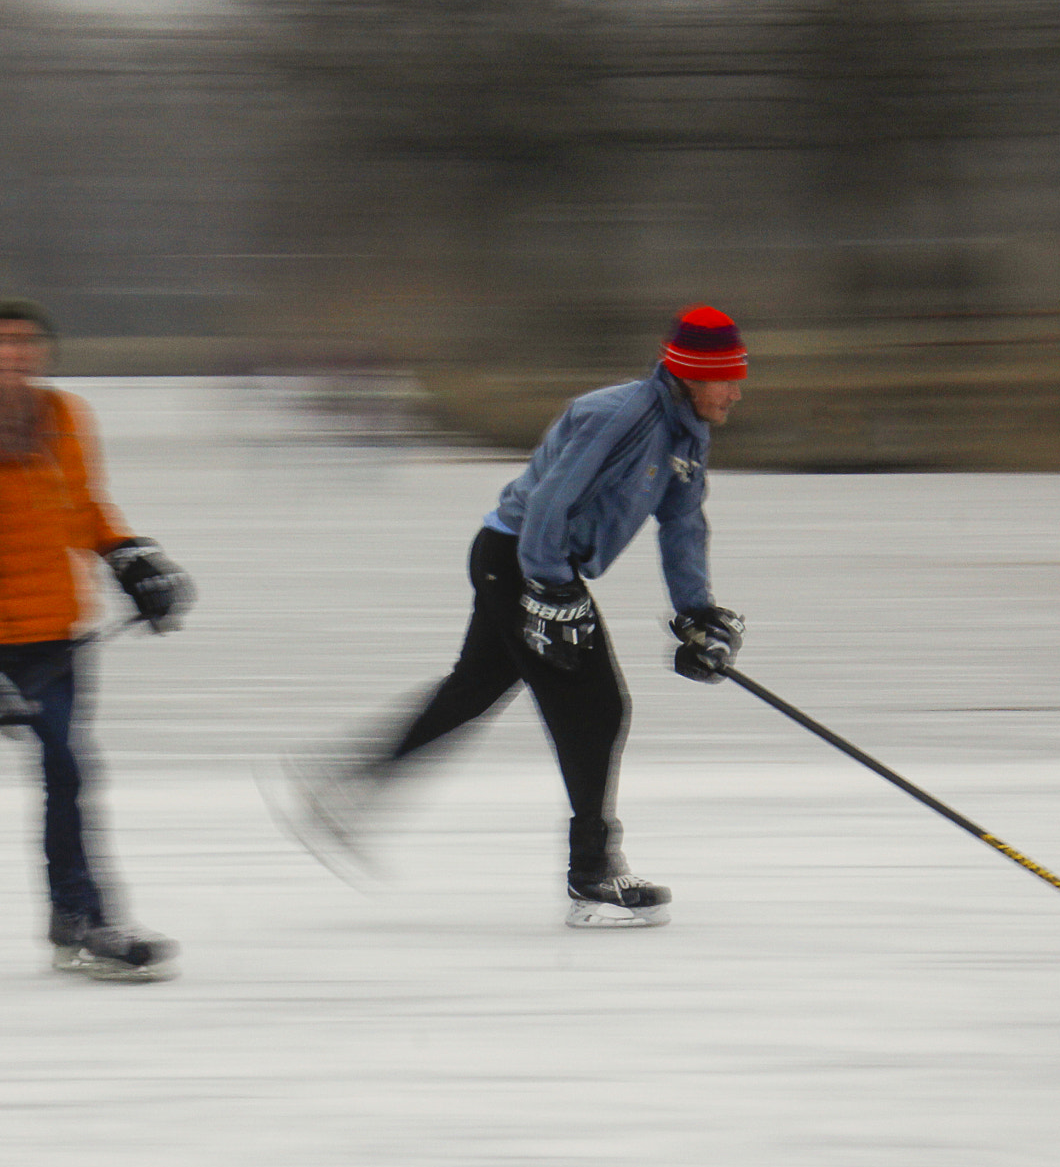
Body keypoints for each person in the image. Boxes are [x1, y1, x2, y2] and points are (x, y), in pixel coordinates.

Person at [274, 306, 749, 928]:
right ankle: (592, 875)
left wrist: (696, 610)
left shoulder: (688, 433)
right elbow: (550, 504)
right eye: (726, 378)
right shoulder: (621, 416)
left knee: (472, 691)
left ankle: (337, 786)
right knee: (598, 707)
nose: (737, 390)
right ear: (692, 375)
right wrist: (550, 592)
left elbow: (683, 521)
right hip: (522, 558)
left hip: (532, 565)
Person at [0, 299, 193, 981]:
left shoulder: (67, 418)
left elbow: (83, 506)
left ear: (41, 354)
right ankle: (89, 919)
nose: (10, 356)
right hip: (5, 644)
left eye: (23, 345)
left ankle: (71, 920)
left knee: (65, 776)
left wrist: (131, 557)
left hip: (64, 634)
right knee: (69, 771)